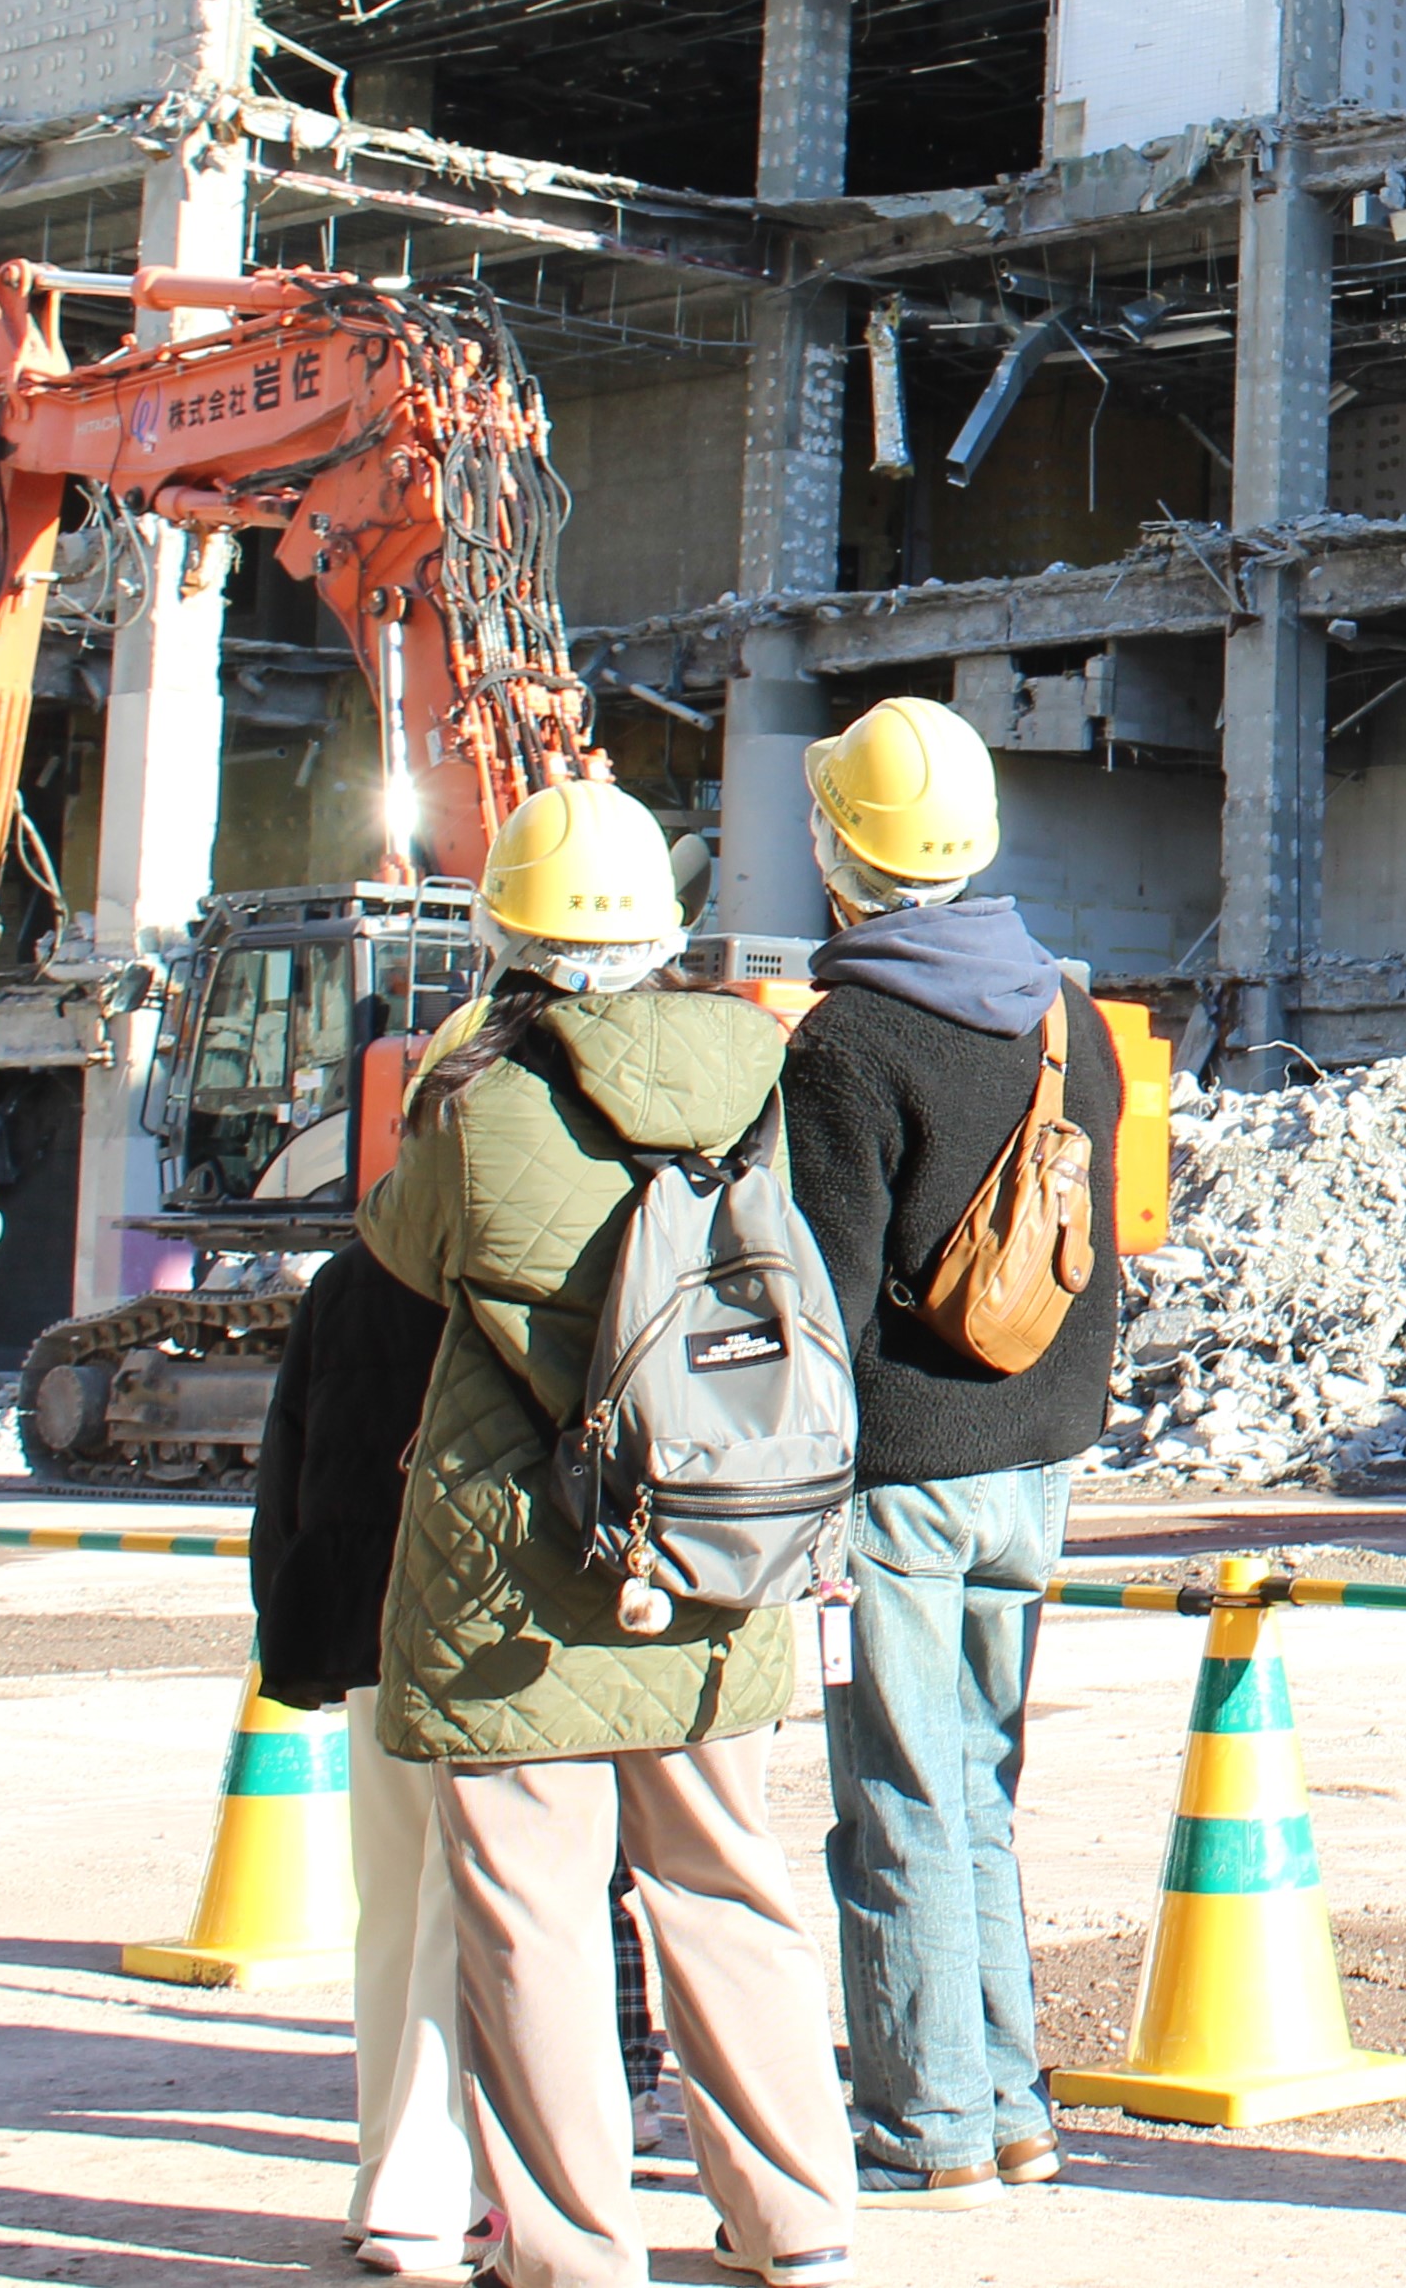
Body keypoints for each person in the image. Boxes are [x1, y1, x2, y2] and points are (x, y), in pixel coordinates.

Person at [359, 778, 857, 2288]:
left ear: (504, 927)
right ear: (665, 923)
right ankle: (800, 2218)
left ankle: (577, 2249)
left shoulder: (479, 1097)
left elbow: (398, 1247)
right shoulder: (757, 1073)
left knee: (536, 1919)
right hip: (717, 1547)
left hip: (525, 1568)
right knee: (731, 1885)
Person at [781, 693, 1123, 2210]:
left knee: (902, 1794)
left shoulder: (847, 1041)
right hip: (1035, 1456)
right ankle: (1011, 2096)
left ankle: (927, 2119)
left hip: (903, 1476)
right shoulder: (1069, 1013)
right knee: (977, 1780)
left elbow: (823, 1301)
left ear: (839, 851)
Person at [249, 1239, 476, 2277]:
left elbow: (285, 1467)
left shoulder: (349, 1274)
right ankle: (430, 2189)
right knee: (461, 1911)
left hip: (363, 1627)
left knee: (389, 1911)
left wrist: (290, 1625)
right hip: (477, 1637)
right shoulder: (505, 1255)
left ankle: (382, 2170)